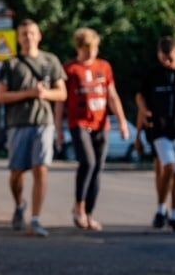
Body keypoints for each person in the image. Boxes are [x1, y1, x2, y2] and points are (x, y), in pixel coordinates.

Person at [0, 19, 67, 237]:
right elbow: (0, 96)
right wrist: (28, 93)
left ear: (39, 35)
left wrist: (45, 94)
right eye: (24, 34)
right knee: (17, 173)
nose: (29, 37)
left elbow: (62, 93)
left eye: (32, 33)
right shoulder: (11, 64)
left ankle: (35, 219)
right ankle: (19, 205)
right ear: (18, 38)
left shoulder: (50, 60)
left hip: (44, 122)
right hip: (18, 123)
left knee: (41, 168)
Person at [55, 28, 129, 231]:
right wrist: (58, 130)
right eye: (87, 49)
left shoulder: (104, 66)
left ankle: (89, 213)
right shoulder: (69, 69)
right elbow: (61, 101)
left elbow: (112, 95)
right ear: (78, 48)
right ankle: (78, 206)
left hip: (101, 124)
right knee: (87, 162)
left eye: (94, 49)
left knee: (97, 169)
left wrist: (122, 121)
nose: (91, 53)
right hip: (78, 122)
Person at [135, 36, 175, 234]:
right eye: (163, 58)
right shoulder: (154, 73)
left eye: (170, 59)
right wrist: (143, 117)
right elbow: (140, 96)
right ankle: (160, 209)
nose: (167, 63)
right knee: (168, 166)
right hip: (160, 129)